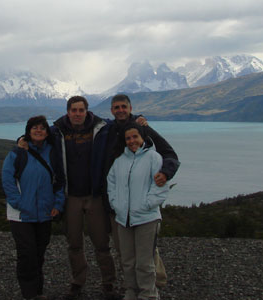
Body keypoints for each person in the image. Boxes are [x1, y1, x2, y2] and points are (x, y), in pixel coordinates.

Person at [103, 94, 180, 287]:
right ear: (111, 110)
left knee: (146, 249)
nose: (120, 110)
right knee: (125, 250)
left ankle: (154, 284)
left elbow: (169, 154)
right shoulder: (107, 130)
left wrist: (165, 172)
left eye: (123, 107)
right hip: (119, 201)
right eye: (116, 107)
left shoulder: (143, 128)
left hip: (140, 203)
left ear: (130, 108)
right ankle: (136, 287)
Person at [51, 96, 118, 299]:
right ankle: (78, 282)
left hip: (94, 195)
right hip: (71, 196)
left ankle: (109, 284)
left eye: (81, 110)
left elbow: (124, 123)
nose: (77, 114)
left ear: (87, 111)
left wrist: (139, 118)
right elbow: (34, 133)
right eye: (74, 110)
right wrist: (23, 140)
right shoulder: (57, 131)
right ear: (68, 112)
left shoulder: (101, 128)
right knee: (74, 243)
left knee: (101, 243)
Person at [1, 115, 65, 300]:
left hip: (44, 213)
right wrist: (18, 203)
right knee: (27, 253)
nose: (39, 131)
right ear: (28, 131)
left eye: (42, 128)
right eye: (35, 128)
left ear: (47, 132)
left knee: (39, 253)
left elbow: (59, 181)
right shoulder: (17, 153)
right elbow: (7, 179)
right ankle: (28, 293)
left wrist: (58, 204)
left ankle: (37, 291)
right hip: (21, 215)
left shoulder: (52, 152)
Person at [107, 122, 169, 300]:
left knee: (145, 262)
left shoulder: (154, 158)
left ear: (143, 138)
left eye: (135, 137)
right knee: (127, 261)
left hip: (146, 218)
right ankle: (131, 292)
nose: (132, 141)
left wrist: (146, 204)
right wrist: (115, 203)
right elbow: (111, 183)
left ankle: (148, 294)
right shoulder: (119, 161)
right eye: (128, 138)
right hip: (123, 218)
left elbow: (161, 187)